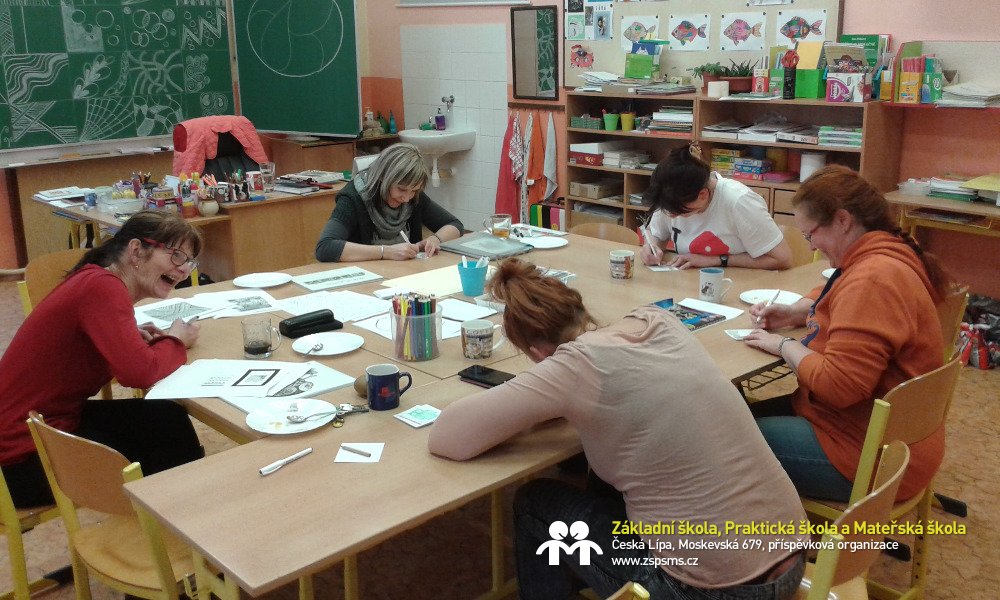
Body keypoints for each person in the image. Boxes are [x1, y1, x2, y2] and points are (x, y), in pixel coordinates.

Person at [429, 259, 807, 600]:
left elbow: (447, 438)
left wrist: (535, 400)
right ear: (580, 310)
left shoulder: (572, 366)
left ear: (538, 354)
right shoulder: (657, 321)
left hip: (709, 590)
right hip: (794, 556)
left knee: (534, 503)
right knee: (607, 476)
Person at [744, 165, 953, 502]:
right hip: (887, 438)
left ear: (842, 220)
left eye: (810, 235)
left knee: (721, 442)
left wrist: (784, 345)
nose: (812, 244)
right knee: (731, 417)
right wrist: (800, 311)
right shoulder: (889, 250)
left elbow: (839, 387)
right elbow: (836, 288)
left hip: (868, 456)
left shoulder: (873, 279)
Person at [0, 210, 205, 508]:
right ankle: (182, 520)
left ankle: (172, 518)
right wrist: (176, 341)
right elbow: (139, 373)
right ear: (136, 250)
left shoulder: (97, 279)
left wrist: (128, 337)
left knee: (165, 420)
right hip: (18, 460)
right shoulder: (103, 287)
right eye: (176, 256)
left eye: (188, 261)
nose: (183, 269)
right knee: (166, 438)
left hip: (35, 428)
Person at [640, 144, 792, 270]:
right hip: (689, 283)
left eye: (679, 211)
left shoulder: (739, 201)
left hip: (739, 284)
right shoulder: (670, 197)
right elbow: (656, 234)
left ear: (703, 195)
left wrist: (716, 260)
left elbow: (782, 259)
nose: (671, 215)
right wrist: (651, 247)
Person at [315, 143, 463, 262]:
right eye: (401, 189)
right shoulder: (353, 198)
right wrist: (385, 252)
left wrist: (435, 239)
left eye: (414, 190)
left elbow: (455, 225)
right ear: (383, 178)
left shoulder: (413, 195)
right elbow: (325, 247)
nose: (407, 198)